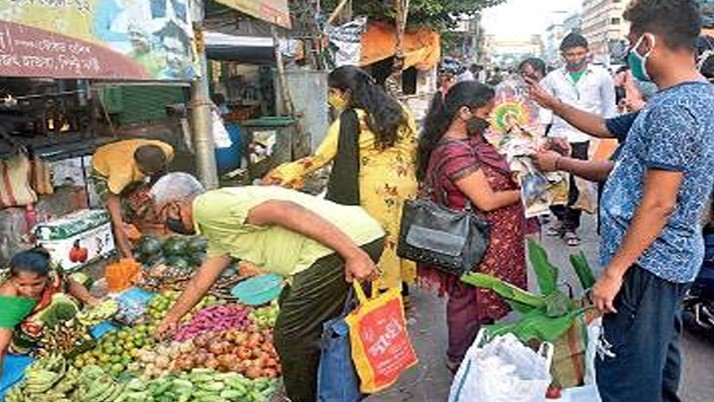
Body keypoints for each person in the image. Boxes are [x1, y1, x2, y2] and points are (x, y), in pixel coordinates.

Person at [150, 173, 385, 402]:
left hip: (341, 247)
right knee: (298, 313)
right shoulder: (216, 226)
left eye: (163, 216)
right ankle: (334, 385)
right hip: (351, 240)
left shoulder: (208, 207)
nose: (168, 226)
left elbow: (283, 210)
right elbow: (202, 279)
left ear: (174, 206)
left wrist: (353, 254)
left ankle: (304, 397)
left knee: (291, 335)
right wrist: (173, 317)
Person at [590, 1, 714, 401]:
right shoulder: (695, 98)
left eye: (631, 45)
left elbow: (659, 203)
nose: (631, 56)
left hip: (646, 262)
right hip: (667, 259)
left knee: (625, 373)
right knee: (657, 360)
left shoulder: (675, 110)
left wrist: (614, 271)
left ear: (647, 42)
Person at [265, 65, 418, 294]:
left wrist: (283, 174)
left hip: (374, 188)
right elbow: (414, 146)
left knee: (380, 239)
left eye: (332, 92)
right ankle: (401, 289)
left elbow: (320, 158)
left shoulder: (350, 119)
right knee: (401, 234)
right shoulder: (399, 110)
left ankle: (383, 293)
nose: (331, 98)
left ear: (346, 93)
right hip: (405, 182)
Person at [416, 81, 526, 372]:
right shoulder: (455, 152)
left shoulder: (470, 141)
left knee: (478, 296)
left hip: (481, 236)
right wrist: (528, 191)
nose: (490, 119)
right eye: (486, 112)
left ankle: (476, 347)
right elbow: (487, 200)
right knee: (467, 297)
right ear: (465, 112)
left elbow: (496, 170)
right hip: (469, 239)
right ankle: (459, 357)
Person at [540, 33, 617, 246]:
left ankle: (570, 226)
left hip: (590, 136)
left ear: (587, 52)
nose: (575, 58)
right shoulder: (553, 77)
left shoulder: (601, 75)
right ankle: (560, 217)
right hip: (560, 135)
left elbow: (609, 106)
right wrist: (543, 135)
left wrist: (611, 135)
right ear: (563, 55)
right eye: (570, 54)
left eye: (580, 53)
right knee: (556, 183)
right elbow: (545, 109)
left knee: (580, 185)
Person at [0, 248, 100, 373]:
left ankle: (62, 323)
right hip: (15, 338)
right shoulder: (9, 300)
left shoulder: (52, 271)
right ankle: (67, 336)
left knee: (81, 279)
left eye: (36, 284)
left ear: (47, 276)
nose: (29, 290)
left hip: (37, 309)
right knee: (60, 302)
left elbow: (69, 283)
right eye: (22, 285)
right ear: (13, 279)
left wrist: (90, 299)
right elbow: (2, 343)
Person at [91, 139, 174, 258]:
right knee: (120, 216)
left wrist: (153, 193)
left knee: (148, 200)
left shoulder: (166, 150)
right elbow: (113, 201)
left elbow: (160, 178)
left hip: (122, 155)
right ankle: (127, 254)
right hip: (102, 167)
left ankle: (146, 233)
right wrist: (120, 225)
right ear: (137, 165)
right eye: (146, 173)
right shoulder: (121, 174)